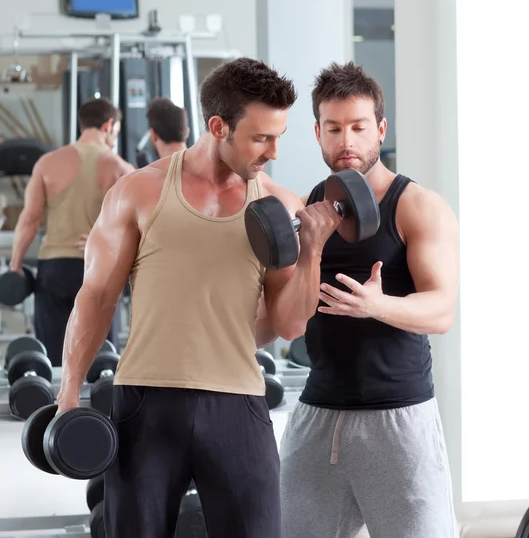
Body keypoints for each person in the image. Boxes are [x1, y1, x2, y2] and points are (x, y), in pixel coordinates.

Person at [55, 57, 343, 538]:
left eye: (279, 137)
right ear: (217, 126)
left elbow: (290, 325)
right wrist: (68, 395)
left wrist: (312, 249)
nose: (273, 151)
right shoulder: (138, 192)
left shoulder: (279, 207)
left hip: (238, 406)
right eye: (260, 137)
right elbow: (97, 297)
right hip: (146, 402)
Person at [278, 62, 460, 538]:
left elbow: (442, 310)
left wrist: (378, 306)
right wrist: (311, 248)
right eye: (334, 128)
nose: (346, 142)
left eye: (358, 127)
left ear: (380, 128)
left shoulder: (416, 206)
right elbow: (288, 323)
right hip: (318, 415)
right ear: (317, 133)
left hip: (398, 419)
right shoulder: (306, 209)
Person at [9, 97, 133, 365]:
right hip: (98, 269)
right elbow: (139, 227)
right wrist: (106, 242)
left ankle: (57, 407)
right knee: (101, 362)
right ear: (109, 125)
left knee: (54, 362)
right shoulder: (122, 169)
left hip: (54, 270)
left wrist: (15, 266)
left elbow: (29, 220)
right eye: (116, 132)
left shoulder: (47, 163)